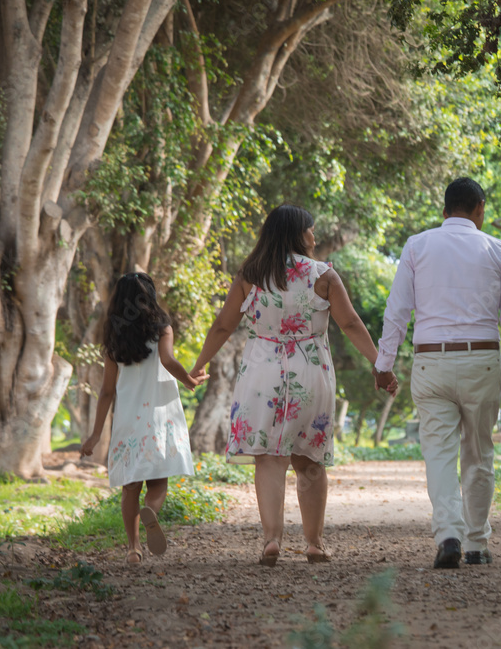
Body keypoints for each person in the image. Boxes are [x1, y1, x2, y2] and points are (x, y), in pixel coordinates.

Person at [190, 204, 396, 566]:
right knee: (309, 461)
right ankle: (313, 543)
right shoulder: (323, 276)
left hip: (261, 374)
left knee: (269, 460)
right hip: (309, 372)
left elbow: (223, 326)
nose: (314, 238)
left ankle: (272, 540)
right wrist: (380, 365)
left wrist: (197, 365)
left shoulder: (250, 275)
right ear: (297, 234)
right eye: (311, 230)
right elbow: (349, 324)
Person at [374, 177, 501, 569]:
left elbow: (397, 311)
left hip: (432, 363)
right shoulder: (498, 250)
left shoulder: (417, 246)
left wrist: (384, 364)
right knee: (479, 454)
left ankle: (448, 535)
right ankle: (477, 544)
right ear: (480, 208)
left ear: (444, 211)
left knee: (439, 455)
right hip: (482, 361)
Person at [80, 273, 205, 565]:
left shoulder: (114, 339)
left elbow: (107, 391)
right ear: (150, 297)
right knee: (158, 483)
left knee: (129, 488)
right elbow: (167, 361)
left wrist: (96, 434)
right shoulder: (162, 329)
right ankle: (151, 510)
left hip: (128, 420)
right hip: (159, 415)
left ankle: (133, 549)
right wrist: (189, 380)